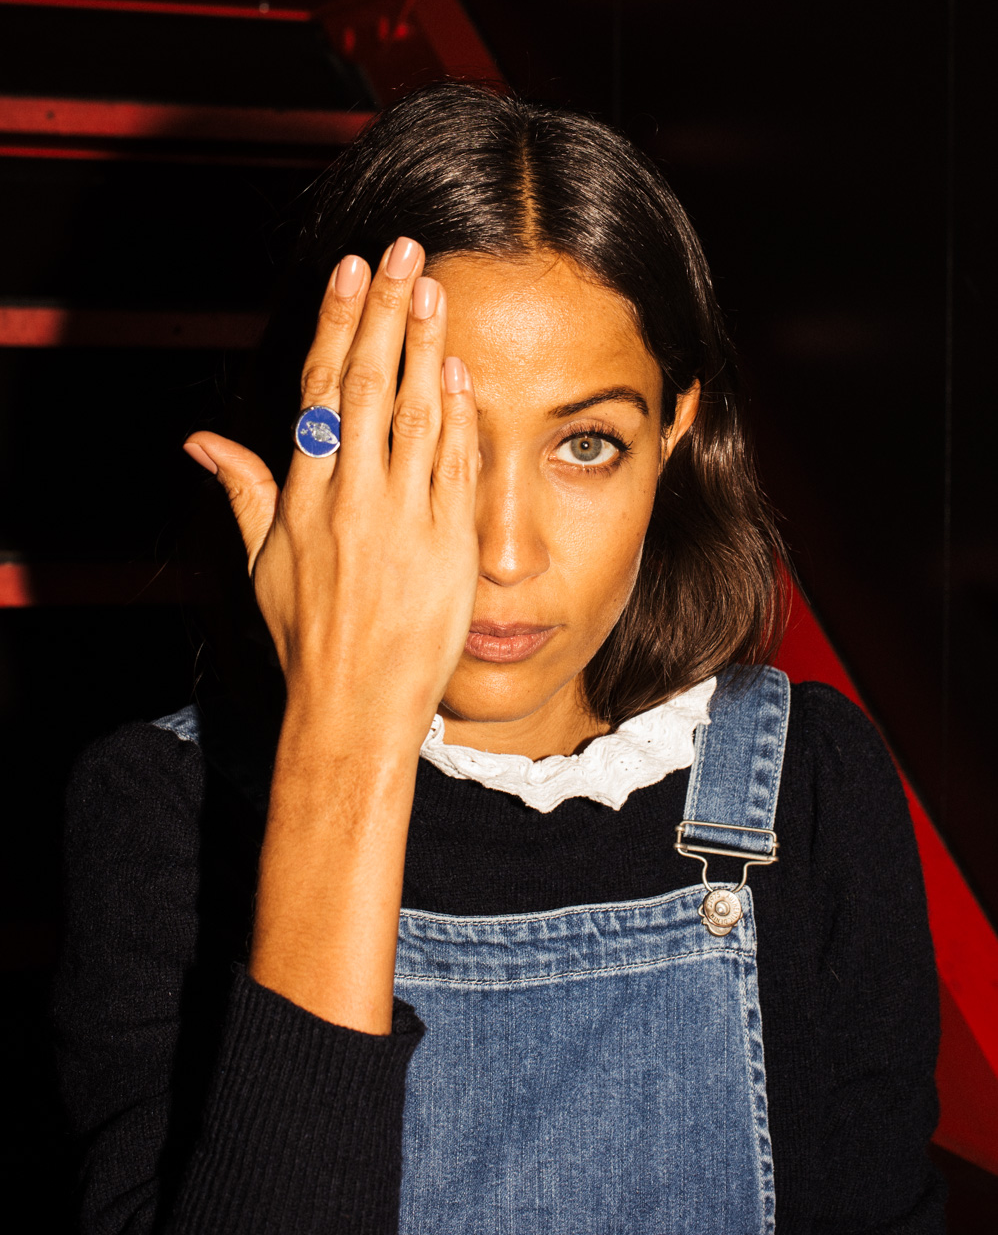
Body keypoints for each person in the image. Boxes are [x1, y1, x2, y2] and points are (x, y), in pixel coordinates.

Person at [54, 81, 944, 1234]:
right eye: (430, 440)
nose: (505, 551)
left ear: (671, 435)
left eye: (586, 444)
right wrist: (343, 748)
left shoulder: (808, 791)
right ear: (327, 439)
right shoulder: (163, 812)